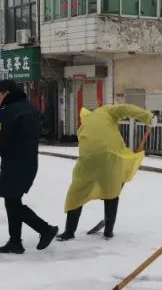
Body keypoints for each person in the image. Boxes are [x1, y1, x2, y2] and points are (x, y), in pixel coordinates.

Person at [58, 103, 153, 241]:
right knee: (112, 192)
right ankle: (108, 231)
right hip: (110, 157)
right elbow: (125, 109)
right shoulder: (107, 110)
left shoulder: (83, 126)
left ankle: (69, 232)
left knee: (76, 194)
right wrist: (148, 117)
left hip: (87, 161)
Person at [0, 79, 58, 254]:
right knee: (12, 200)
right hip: (28, 161)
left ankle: (45, 229)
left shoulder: (10, 111)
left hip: (15, 163)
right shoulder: (28, 107)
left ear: (6, 93)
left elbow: (3, 137)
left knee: (13, 203)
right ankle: (15, 241)